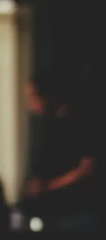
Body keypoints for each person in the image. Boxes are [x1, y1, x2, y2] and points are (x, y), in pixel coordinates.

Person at [22, 70, 101, 230]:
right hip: (59, 212)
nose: (32, 105)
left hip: (78, 214)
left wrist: (48, 186)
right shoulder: (51, 123)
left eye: (34, 97)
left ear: (50, 95)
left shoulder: (81, 120)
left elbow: (89, 168)